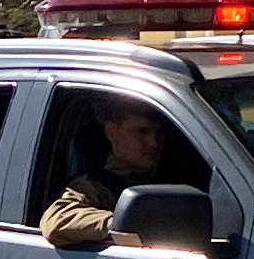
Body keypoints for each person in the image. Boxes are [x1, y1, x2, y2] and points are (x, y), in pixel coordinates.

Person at [41, 102, 173, 248]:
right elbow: (58, 219)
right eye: (142, 131)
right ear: (111, 132)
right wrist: (124, 222)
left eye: (160, 132)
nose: (154, 143)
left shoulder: (177, 180)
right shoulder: (93, 187)